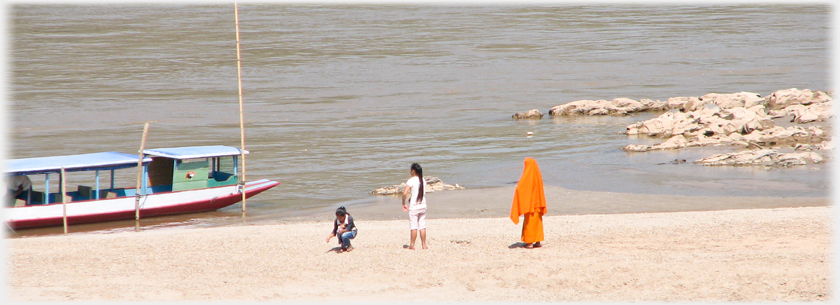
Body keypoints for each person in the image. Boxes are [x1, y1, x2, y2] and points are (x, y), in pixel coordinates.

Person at [510, 157, 547, 249]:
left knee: (529, 222)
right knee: (537, 222)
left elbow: (520, 188)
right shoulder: (537, 175)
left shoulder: (527, 176)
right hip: (538, 203)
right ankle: (538, 242)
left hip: (531, 204)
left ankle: (529, 243)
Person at [401, 163, 428, 250]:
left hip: (414, 207)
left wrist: (403, 203)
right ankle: (424, 245)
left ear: (413, 171)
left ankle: (412, 245)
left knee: (414, 226)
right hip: (423, 205)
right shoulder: (423, 180)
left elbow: (404, 193)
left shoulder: (411, 180)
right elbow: (420, 193)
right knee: (422, 226)